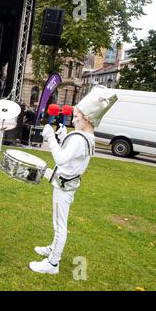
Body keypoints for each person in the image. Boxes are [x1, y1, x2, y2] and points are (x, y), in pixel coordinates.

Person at [29, 85, 117, 274]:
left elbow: (61, 159)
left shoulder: (80, 138)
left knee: (60, 225)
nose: (74, 120)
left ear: (87, 118)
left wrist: (51, 138)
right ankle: (53, 248)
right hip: (66, 183)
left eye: (77, 117)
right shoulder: (88, 137)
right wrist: (63, 138)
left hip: (64, 186)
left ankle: (52, 263)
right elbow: (71, 159)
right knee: (58, 221)